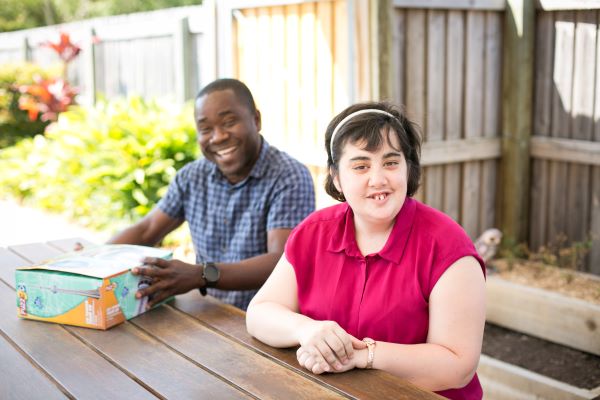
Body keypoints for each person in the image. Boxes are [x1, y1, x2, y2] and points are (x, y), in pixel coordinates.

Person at [246, 102, 486, 399]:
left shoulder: (448, 246)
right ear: (336, 178)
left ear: (408, 168)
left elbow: (457, 365)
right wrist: (306, 331)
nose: (378, 179)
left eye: (391, 162)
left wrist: (361, 356)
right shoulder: (313, 233)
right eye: (361, 166)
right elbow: (259, 313)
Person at [106, 78, 315, 310]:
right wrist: (92, 259)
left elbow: (281, 260)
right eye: (205, 129)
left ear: (256, 120)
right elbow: (147, 230)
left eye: (229, 121)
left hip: (266, 319)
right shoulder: (192, 177)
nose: (218, 136)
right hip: (209, 312)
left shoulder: (289, 176)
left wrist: (201, 274)